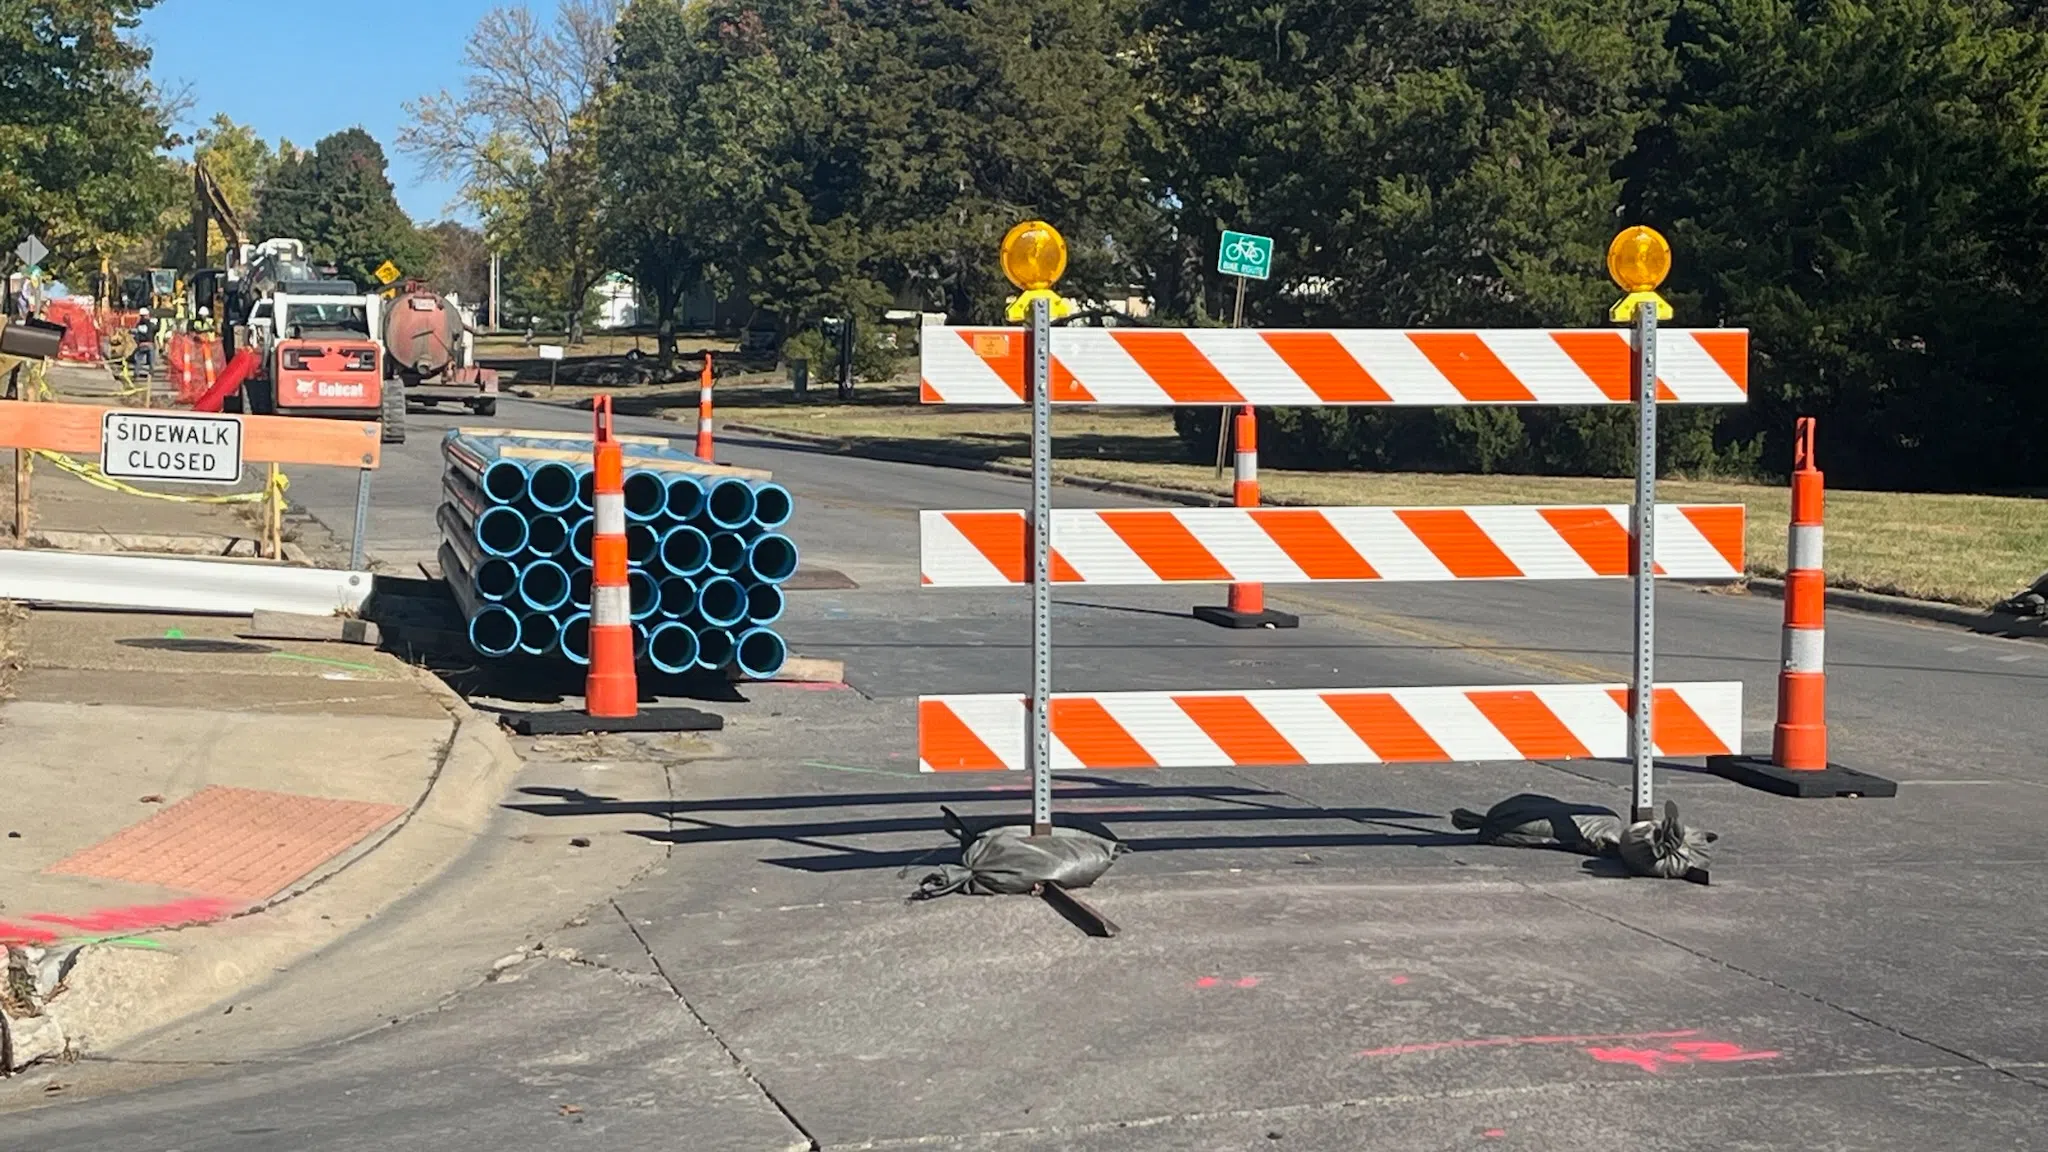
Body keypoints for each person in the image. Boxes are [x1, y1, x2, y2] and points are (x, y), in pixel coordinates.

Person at [131, 308, 157, 378]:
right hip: (150, 344)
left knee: (138, 359)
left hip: (141, 345)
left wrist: (138, 342)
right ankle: (151, 372)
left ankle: (136, 372)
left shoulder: (138, 325)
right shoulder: (151, 324)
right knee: (152, 360)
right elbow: (156, 329)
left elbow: (135, 334)